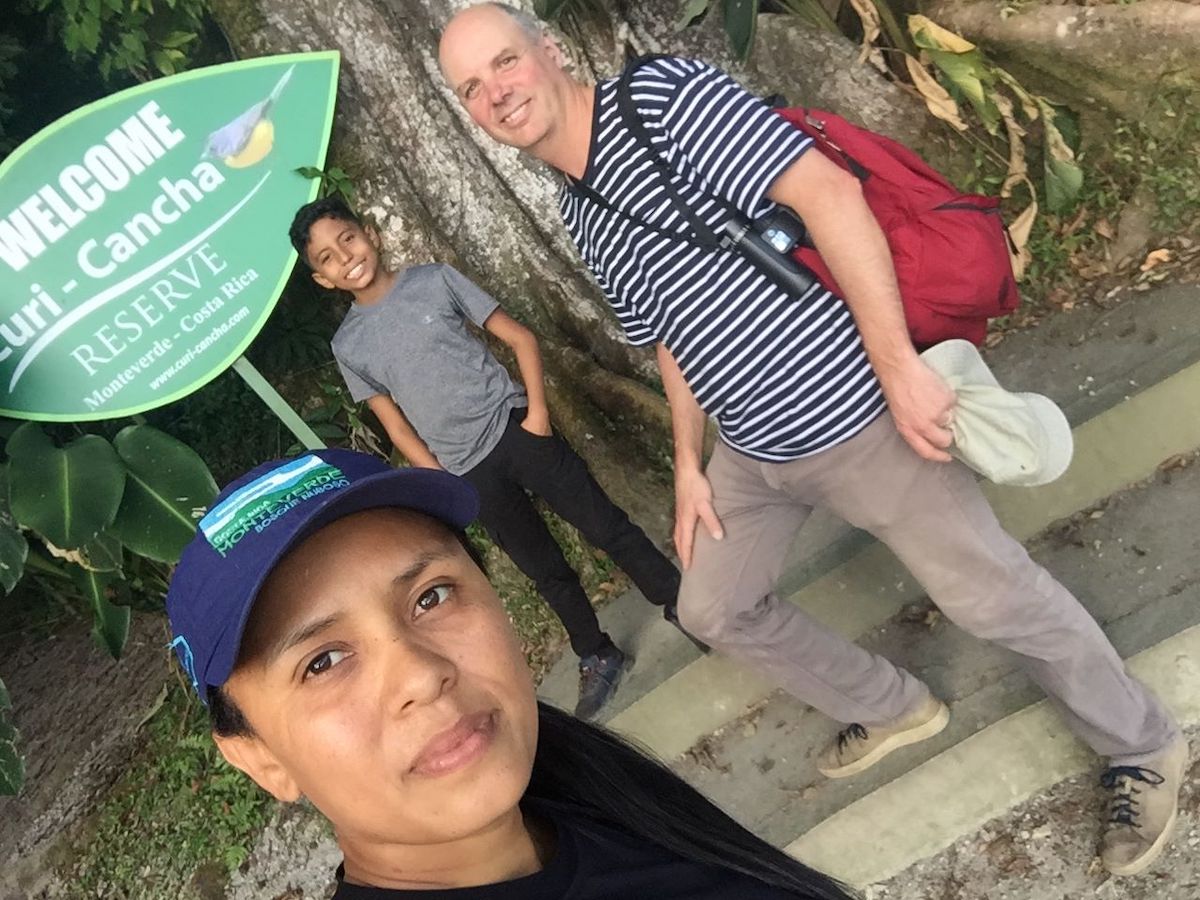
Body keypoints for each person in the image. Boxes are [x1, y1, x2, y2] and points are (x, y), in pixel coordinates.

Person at [437, 2, 1188, 876]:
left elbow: (824, 193)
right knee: (716, 606)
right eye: (472, 88)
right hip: (752, 456)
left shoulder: (663, 102)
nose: (496, 92)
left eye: (503, 63)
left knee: (990, 596)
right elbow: (668, 342)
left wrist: (898, 365)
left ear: (549, 51)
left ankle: (1141, 744)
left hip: (856, 414)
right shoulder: (585, 217)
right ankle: (895, 704)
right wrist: (689, 464)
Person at [165, 449, 855, 898]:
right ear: (260, 760)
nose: (421, 675)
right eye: (323, 661)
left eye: (430, 597)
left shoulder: (605, 797)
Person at [286, 197, 699, 719]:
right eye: (326, 258)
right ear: (323, 280)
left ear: (369, 232)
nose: (345, 257)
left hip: (517, 429)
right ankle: (596, 652)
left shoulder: (433, 280)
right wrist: (438, 476)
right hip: (467, 471)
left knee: (603, 523)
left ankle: (679, 602)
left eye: (347, 239)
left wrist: (539, 417)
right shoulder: (350, 344)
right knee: (542, 567)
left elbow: (519, 338)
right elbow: (393, 422)